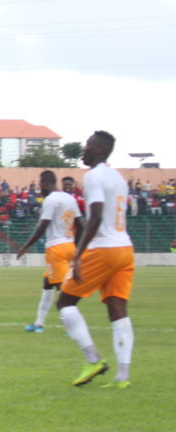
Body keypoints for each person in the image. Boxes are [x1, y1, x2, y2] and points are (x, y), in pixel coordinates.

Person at [56, 131, 135, 389]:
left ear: (100, 149)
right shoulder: (118, 177)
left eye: (88, 145)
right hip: (125, 248)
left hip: (104, 248)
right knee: (117, 309)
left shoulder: (93, 176)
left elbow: (96, 216)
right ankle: (122, 376)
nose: (84, 150)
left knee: (65, 302)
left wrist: (79, 254)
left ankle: (93, 359)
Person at [16, 170, 83, 333]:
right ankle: (39, 324)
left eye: (41, 184)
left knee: (63, 292)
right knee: (47, 284)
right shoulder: (70, 199)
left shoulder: (51, 200)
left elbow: (43, 225)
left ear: (46, 183)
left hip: (56, 249)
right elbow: (81, 225)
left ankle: (74, 329)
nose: (40, 188)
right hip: (69, 246)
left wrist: (26, 246)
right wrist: (76, 247)